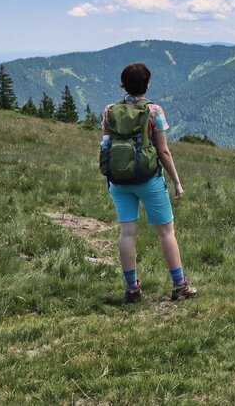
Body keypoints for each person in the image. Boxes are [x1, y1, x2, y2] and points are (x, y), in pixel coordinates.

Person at [101, 62, 197, 303]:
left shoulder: (109, 111)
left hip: (119, 180)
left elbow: (106, 145)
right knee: (166, 232)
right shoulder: (154, 112)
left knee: (127, 233)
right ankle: (179, 286)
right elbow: (163, 152)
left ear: (123, 84)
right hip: (148, 178)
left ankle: (132, 289)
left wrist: (110, 176)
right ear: (147, 84)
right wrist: (177, 182)